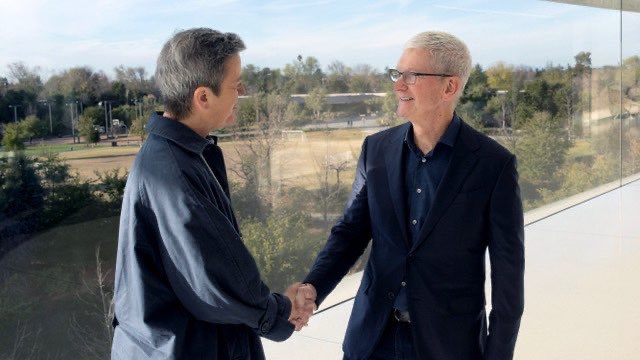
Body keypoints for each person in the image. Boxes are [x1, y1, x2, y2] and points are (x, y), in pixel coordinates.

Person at [296, 31, 525, 360]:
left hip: (449, 347)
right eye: (397, 73)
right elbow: (350, 233)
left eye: (412, 76)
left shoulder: (494, 165)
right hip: (372, 339)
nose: (398, 85)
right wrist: (313, 288)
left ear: (450, 86)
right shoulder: (376, 150)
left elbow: (508, 283)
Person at [111, 28, 311, 359]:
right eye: (236, 85)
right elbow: (215, 283)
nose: (241, 92)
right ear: (203, 97)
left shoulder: (174, 156)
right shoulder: (174, 172)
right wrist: (281, 310)